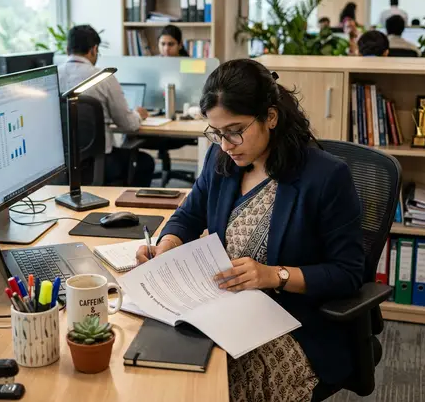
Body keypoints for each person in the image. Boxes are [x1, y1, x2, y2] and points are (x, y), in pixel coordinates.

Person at [136, 59, 364, 402]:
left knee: (212, 383)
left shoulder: (326, 177)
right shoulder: (223, 160)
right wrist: (166, 245)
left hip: (292, 324)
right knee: (158, 358)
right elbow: (188, 215)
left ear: (270, 117)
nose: (226, 143)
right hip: (222, 308)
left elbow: (348, 273)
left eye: (236, 130)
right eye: (217, 132)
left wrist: (274, 275)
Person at [58, 25, 154, 186]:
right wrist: (138, 114)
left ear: (67, 49)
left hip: (60, 166)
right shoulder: (103, 78)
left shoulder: (52, 76)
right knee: (145, 163)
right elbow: (128, 124)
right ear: (94, 49)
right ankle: (127, 208)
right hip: (98, 164)